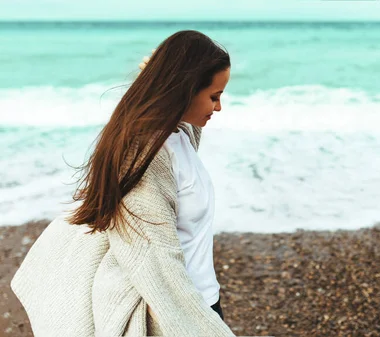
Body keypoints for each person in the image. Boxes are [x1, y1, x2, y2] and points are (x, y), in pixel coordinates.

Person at [11, 30, 235, 336]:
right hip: (173, 315)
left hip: (202, 300)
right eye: (214, 96)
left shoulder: (179, 135)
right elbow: (157, 263)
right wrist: (203, 326)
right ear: (186, 89)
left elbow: (172, 115)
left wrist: (156, 78)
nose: (218, 107)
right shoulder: (144, 159)